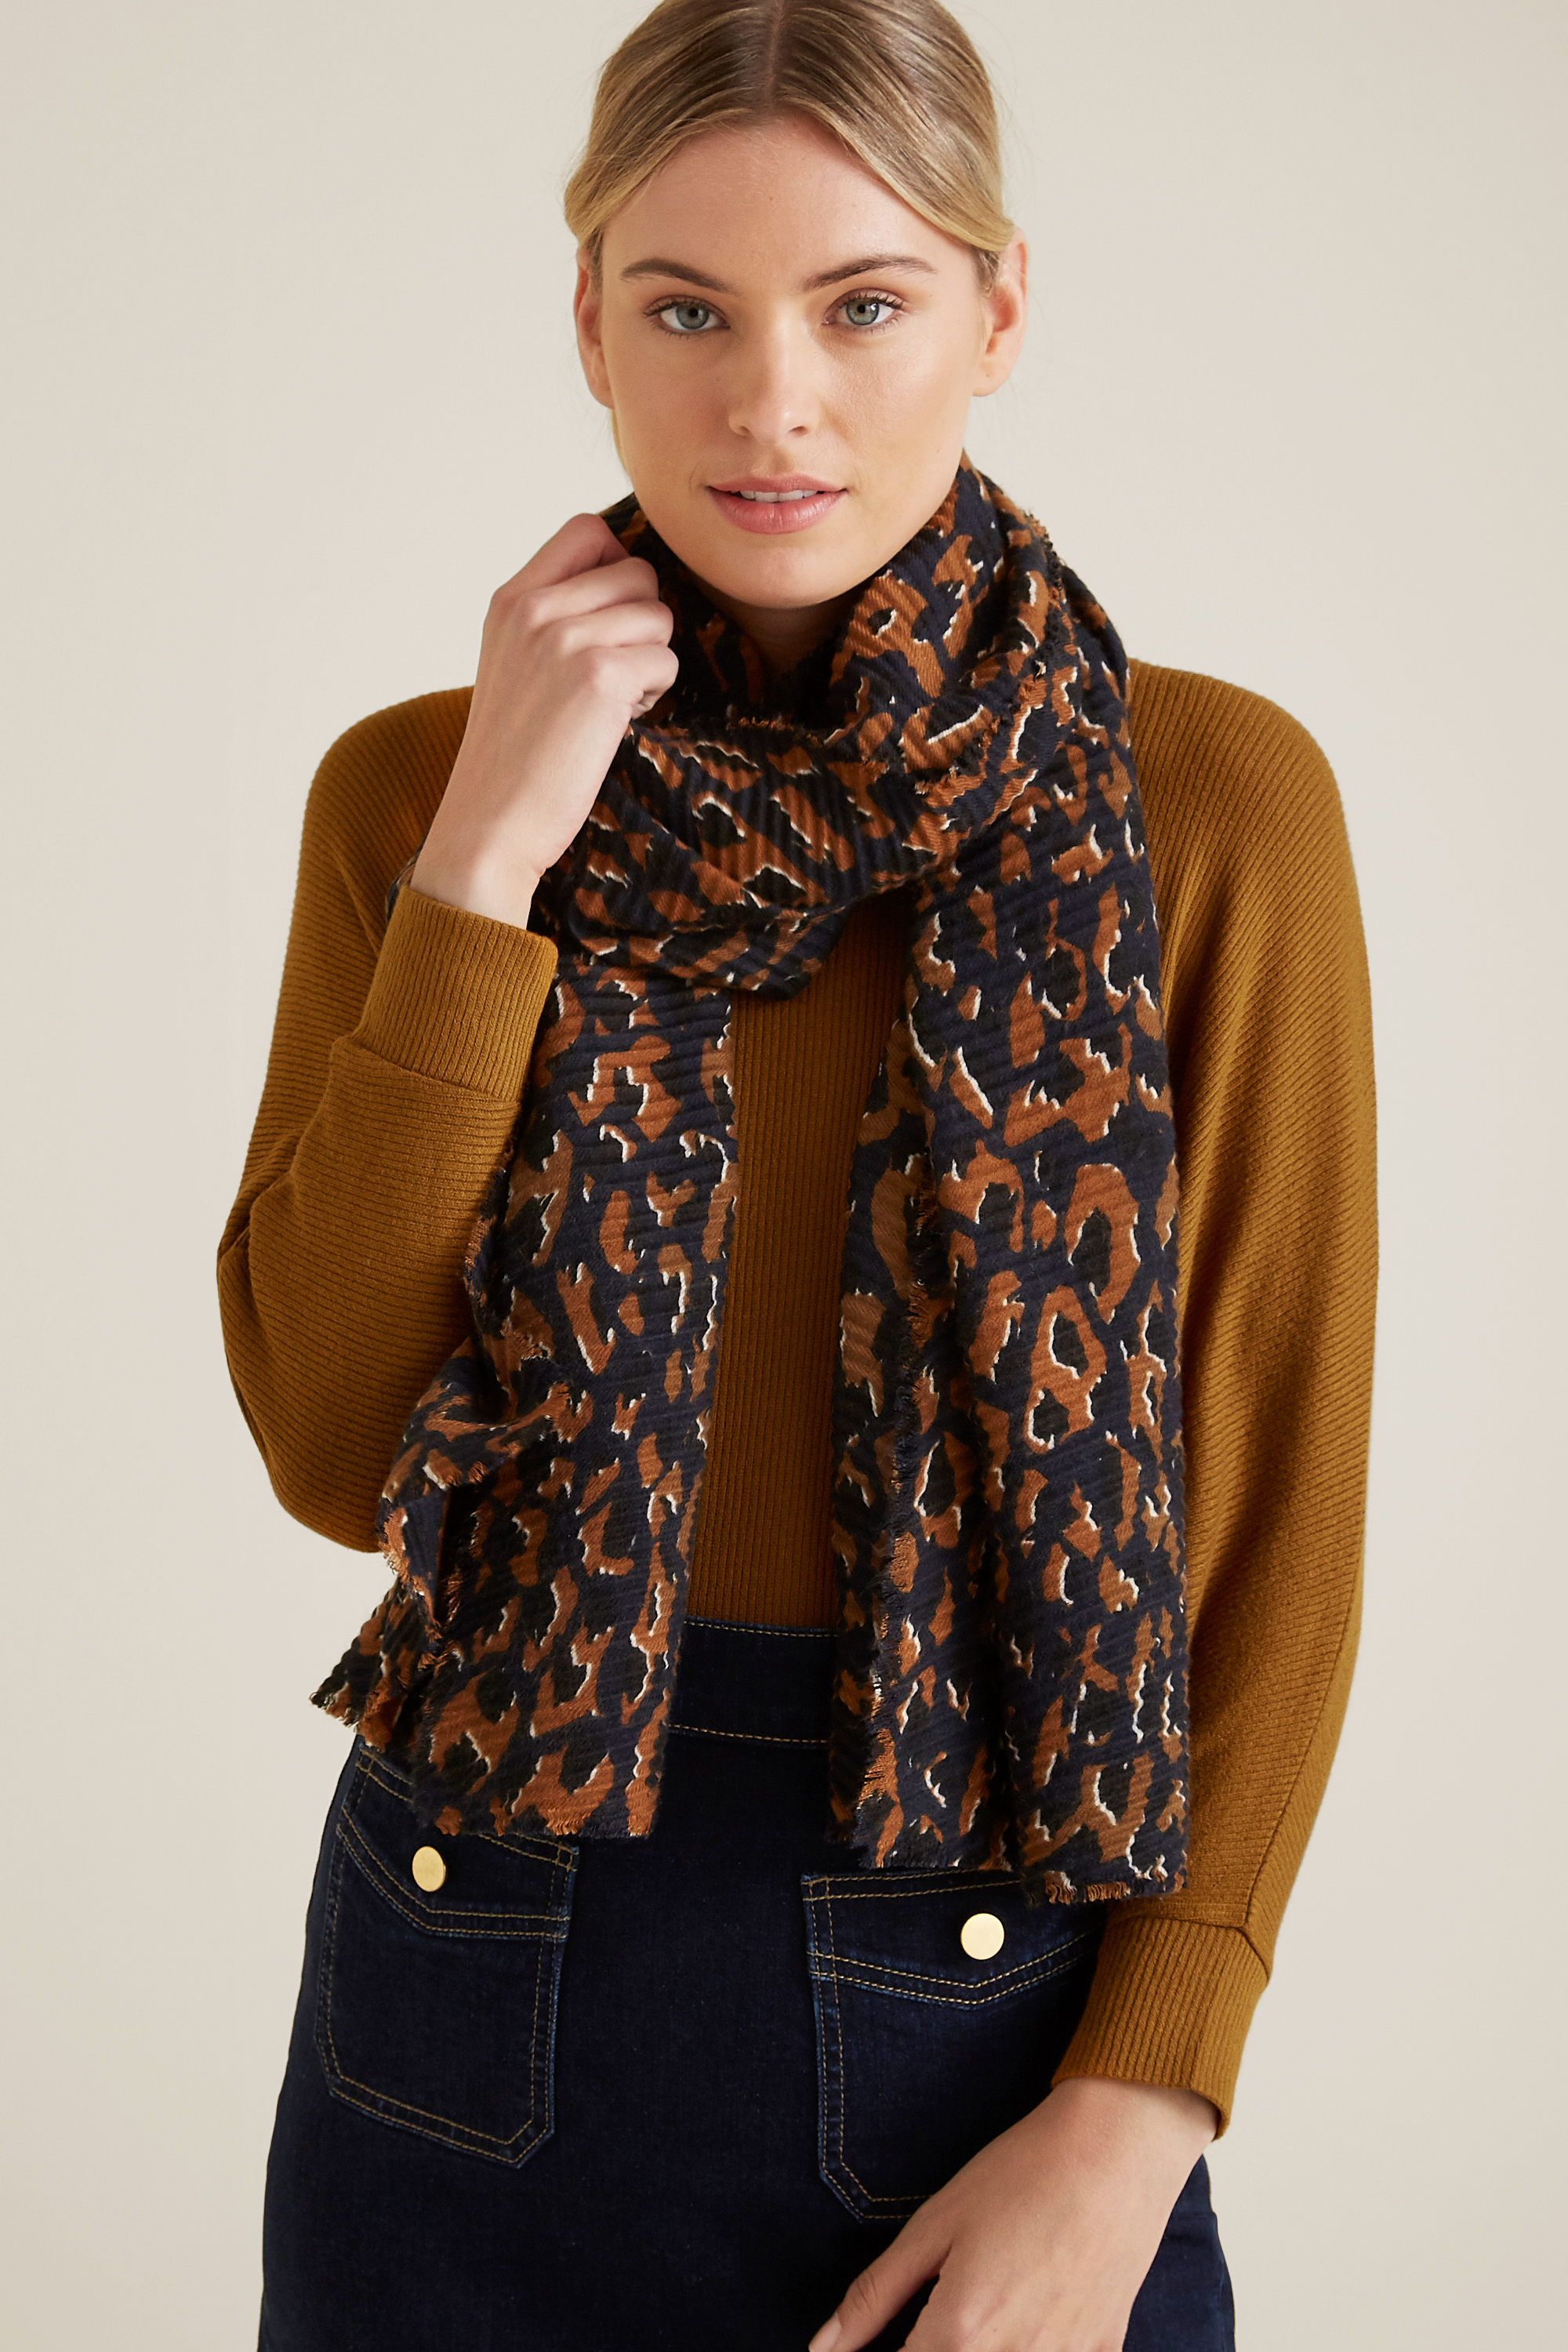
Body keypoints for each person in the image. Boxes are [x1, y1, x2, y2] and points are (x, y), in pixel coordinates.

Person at [218, 2, 1375, 2346]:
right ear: (588, 324)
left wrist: (1140, 2108)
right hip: (467, 1979)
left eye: (863, 304)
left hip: (995, 1998)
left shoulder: (1207, 808)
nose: (773, 402)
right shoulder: (416, 795)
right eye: (689, 311)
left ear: (998, 312)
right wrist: (488, 864)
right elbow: (331, 1448)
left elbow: (1275, 1515)